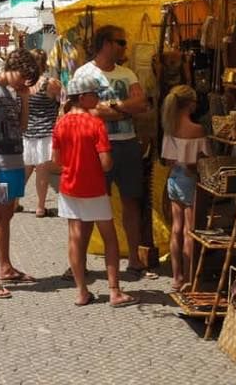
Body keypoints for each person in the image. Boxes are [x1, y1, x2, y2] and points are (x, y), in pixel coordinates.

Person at [71, 25, 152, 276]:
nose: (124, 47)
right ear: (106, 43)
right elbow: (86, 111)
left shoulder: (127, 73)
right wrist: (124, 108)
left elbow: (141, 104)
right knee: (90, 205)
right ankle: (79, 262)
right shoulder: (84, 73)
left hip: (127, 143)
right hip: (95, 148)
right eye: (120, 43)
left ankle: (134, 260)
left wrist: (113, 106)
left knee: (131, 201)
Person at [51, 76, 137, 308]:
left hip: (69, 187)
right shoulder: (95, 123)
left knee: (75, 238)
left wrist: (73, 165)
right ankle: (114, 291)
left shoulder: (60, 122)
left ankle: (81, 292)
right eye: (95, 94)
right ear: (83, 97)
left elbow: (55, 161)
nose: (99, 98)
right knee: (110, 238)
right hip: (94, 188)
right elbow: (106, 163)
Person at [0, 50, 41, 299]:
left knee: (7, 214)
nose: (25, 83)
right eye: (24, 78)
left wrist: (24, 97)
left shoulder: (10, 93)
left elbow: (22, 127)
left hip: (13, 162)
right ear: (14, 68)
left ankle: (5, 266)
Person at [161, 84, 211, 292]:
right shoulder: (197, 130)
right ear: (190, 105)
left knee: (176, 229)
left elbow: (168, 159)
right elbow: (206, 159)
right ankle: (190, 278)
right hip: (189, 179)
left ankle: (176, 276)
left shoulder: (170, 128)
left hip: (173, 178)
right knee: (190, 231)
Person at [22, 50, 62, 216]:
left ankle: (14, 202)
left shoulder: (24, 84)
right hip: (46, 132)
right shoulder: (51, 83)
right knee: (42, 170)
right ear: (45, 62)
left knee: (25, 170)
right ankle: (40, 206)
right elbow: (63, 104)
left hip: (27, 132)